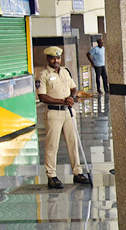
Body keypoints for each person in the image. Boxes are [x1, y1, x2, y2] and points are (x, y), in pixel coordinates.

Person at [36, 46, 91, 190]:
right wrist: (62, 101)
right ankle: (51, 176)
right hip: (53, 114)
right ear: (48, 59)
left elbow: (73, 88)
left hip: (68, 112)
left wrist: (71, 98)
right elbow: (42, 97)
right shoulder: (43, 75)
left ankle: (77, 172)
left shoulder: (65, 72)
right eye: (53, 58)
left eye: (58, 58)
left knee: (73, 142)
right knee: (52, 145)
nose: (56, 60)